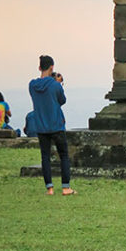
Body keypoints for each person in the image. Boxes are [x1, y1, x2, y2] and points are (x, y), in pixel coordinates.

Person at [28, 54, 75, 196]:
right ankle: (66, 187)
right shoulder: (55, 85)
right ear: (52, 67)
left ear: (39, 67)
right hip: (56, 125)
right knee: (64, 155)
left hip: (41, 125)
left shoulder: (32, 85)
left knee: (45, 156)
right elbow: (61, 100)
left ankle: (50, 188)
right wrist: (59, 83)